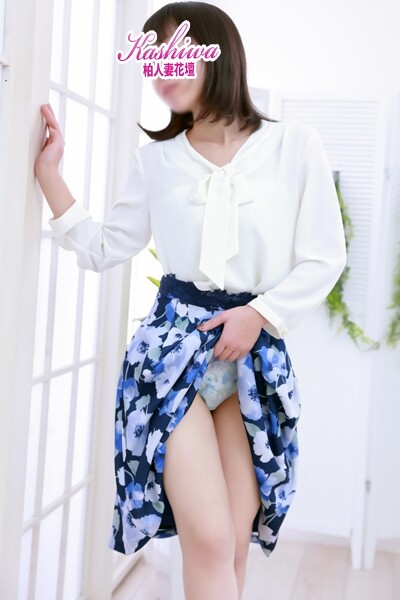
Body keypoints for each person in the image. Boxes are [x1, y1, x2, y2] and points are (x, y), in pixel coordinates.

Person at [34, 2, 347, 599]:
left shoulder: (294, 146)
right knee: (207, 539)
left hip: (252, 356)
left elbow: (325, 255)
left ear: (216, 56)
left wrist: (260, 314)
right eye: (153, 63)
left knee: (233, 542)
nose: (163, 74)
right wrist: (50, 174)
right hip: (171, 358)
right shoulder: (156, 160)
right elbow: (104, 247)